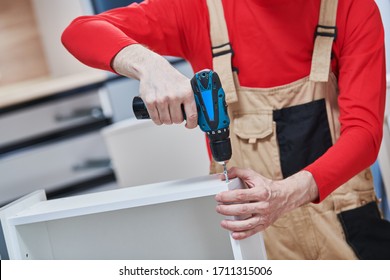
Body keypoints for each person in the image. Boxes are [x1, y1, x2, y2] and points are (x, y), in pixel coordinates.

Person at [62, 0, 390, 259]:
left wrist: (285, 195)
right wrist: (150, 65)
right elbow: (80, 31)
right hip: (250, 238)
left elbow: (364, 133)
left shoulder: (351, 7)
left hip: (346, 224)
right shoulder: (199, 8)